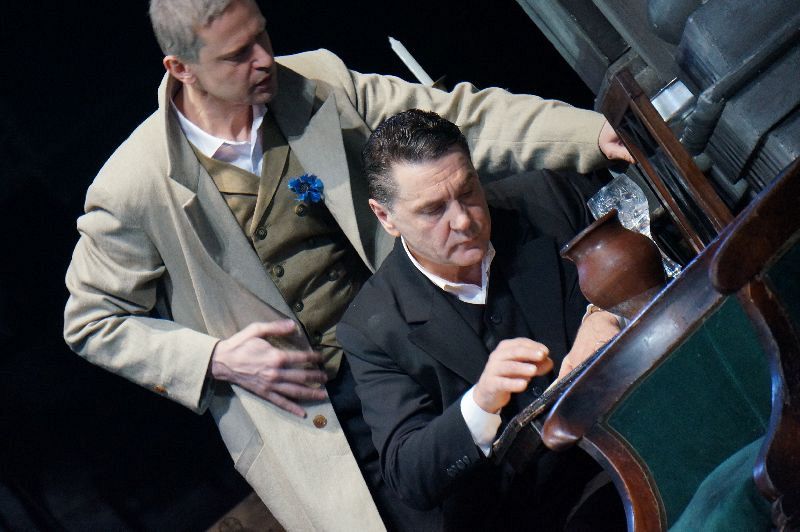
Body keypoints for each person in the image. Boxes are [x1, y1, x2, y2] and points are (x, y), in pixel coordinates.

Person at [63, 0, 632, 529]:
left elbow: (457, 121)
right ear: (180, 69)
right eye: (237, 55)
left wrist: (593, 133)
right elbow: (92, 321)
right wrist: (214, 359)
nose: (264, 59)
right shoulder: (136, 185)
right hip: (315, 411)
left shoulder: (315, 82)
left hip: (419, 353)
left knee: (535, 488)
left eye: (261, 35)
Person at [336, 109, 624, 530]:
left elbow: (652, 250)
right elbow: (409, 474)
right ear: (386, 217)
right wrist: (481, 401)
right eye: (433, 210)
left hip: (633, 426)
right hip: (538, 512)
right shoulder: (373, 327)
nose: (464, 220)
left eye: (468, 190)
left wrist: (608, 311)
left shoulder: (545, 199)